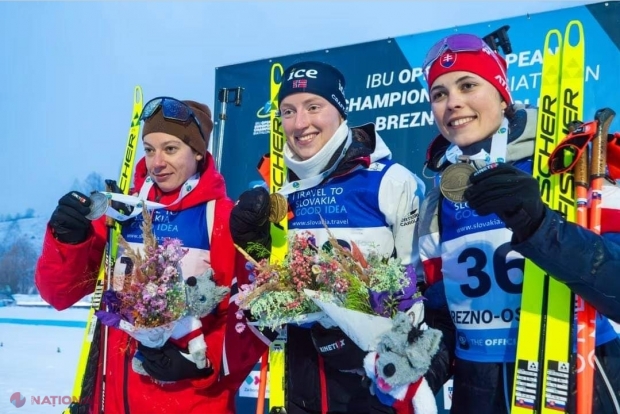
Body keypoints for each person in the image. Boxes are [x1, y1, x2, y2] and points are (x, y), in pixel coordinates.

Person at [417, 33, 620, 414]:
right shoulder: (438, 199)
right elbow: (445, 313)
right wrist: (422, 368)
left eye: (468, 85)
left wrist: (541, 226)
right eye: (439, 94)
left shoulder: (570, 164)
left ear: (502, 93)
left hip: (579, 379)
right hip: (478, 394)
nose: (453, 102)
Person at [226, 61, 439, 414]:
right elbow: (269, 285)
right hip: (300, 378)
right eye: (289, 112)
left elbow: (416, 286)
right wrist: (253, 246)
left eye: (314, 107)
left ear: (340, 111)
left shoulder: (388, 179)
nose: (300, 123)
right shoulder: (278, 189)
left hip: (373, 382)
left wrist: (379, 345)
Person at [35, 97, 239, 414]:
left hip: (188, 401)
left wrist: (201, 363)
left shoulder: (221, 218)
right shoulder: (124, 213)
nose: (156, 162)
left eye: (170, 149)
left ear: (198, 152)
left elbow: (245, 316)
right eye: (149, 149)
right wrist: (67, 238)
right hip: (113, 399)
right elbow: (59, 294)